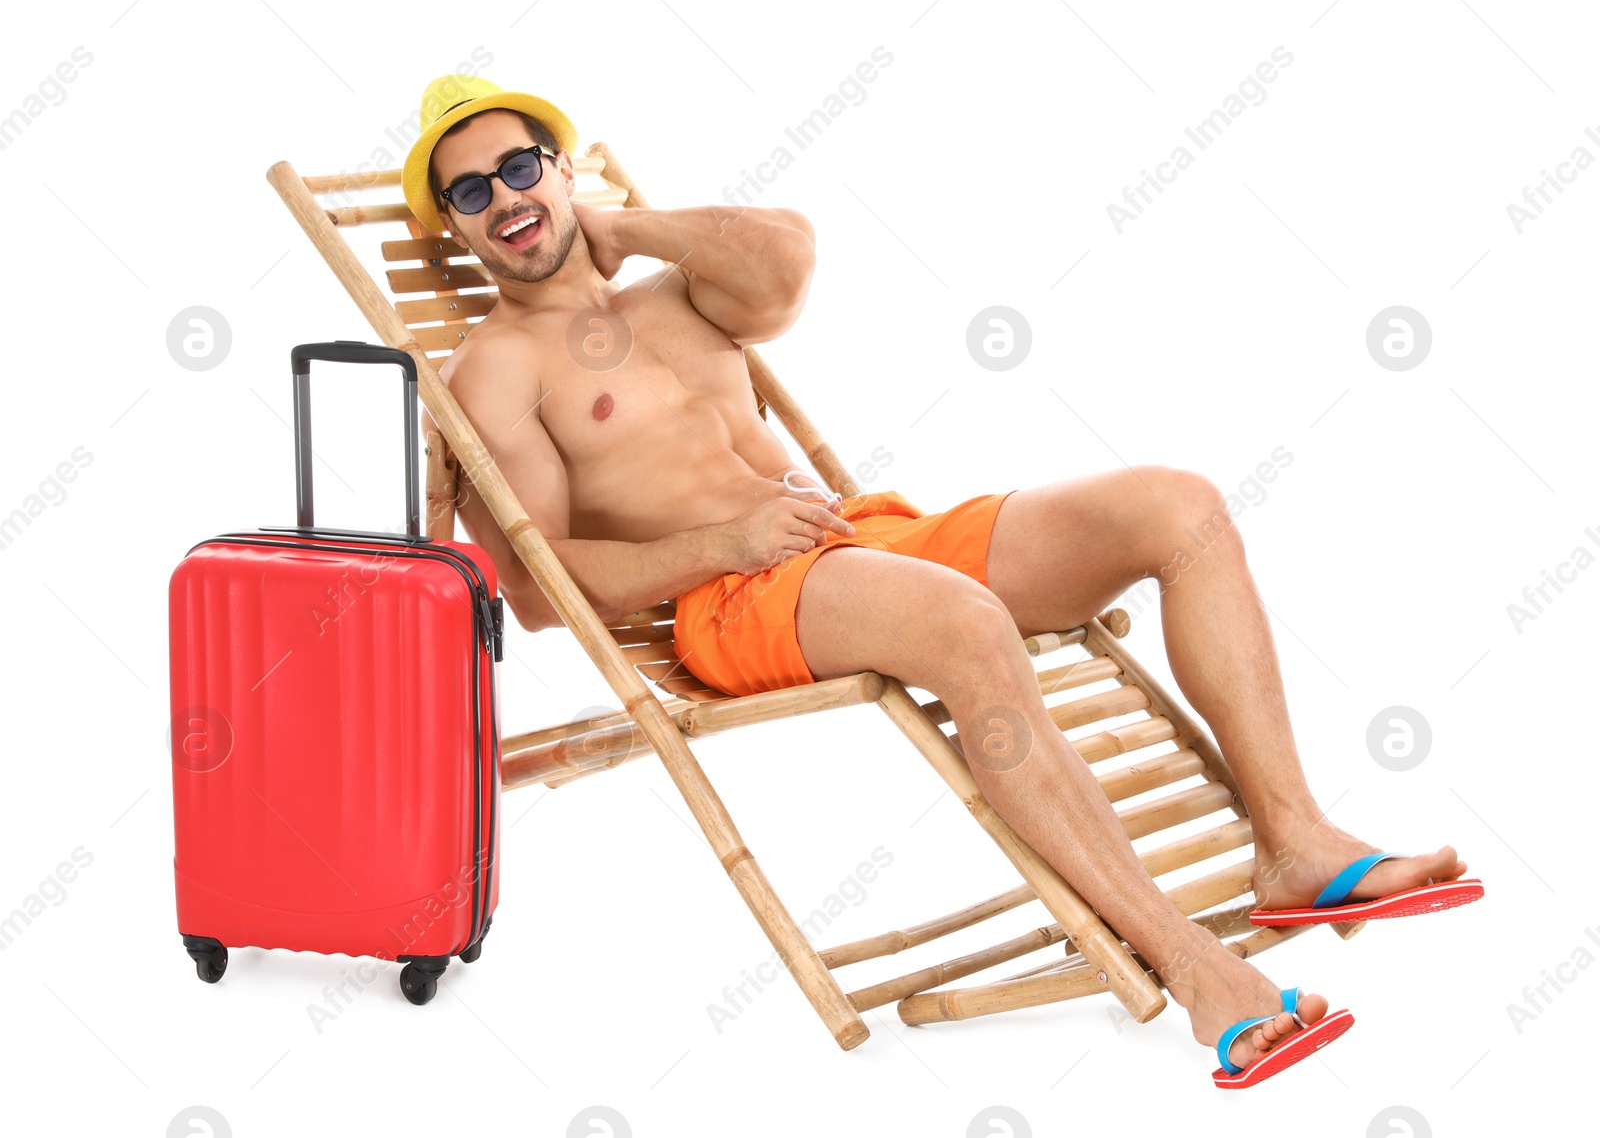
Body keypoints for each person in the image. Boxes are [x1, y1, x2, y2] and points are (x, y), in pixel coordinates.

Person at [400, 76, 1478, 1085]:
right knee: (965, 622)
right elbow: (539, 592)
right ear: (450, 224)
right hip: (732, 601)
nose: (503, 200)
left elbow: (787, 256)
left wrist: (620, 226)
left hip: (860, 539)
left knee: (1178, 505)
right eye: (468, 191)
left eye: (520, 167)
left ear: (560, 169)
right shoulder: (496, 369)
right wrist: (724, 546)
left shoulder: (680, 292)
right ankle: (1191, 963)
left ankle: (1292, 843)